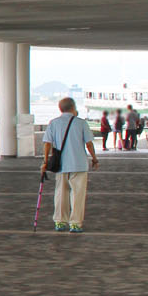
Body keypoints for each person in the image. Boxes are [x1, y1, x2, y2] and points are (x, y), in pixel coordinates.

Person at [41, 97, 98, 232]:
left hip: (61, 165)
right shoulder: (81, 123)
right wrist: (94, 158)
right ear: (73, 108)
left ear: (60, 108)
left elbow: (47, 144)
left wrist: (45, 161)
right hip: (79, 164)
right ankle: (75, 223)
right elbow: (89, 144)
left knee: (61, 193)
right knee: (77, 194)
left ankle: (60, 221)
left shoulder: (53, 123)